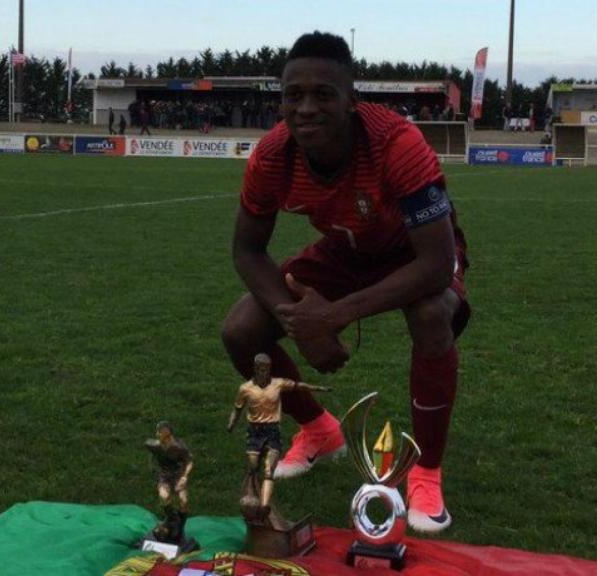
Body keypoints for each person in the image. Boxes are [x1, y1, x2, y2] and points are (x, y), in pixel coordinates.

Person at [220, 31, 471, 534]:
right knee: (242, 328)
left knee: (430, 314)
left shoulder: (396, 143)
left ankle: (425, 470)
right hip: (344, 249)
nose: (306, 108)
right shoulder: (272, 156)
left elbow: (437, 264)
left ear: (351, 100)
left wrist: (332, 316)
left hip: (414, 251)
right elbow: (247, 249)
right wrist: (299, 321)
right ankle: (319, 430)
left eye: (322, 94)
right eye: (294, 95)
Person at [227, 354, 329, 517]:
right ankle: (250, 494)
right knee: (253, 467)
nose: (264, 372)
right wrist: (231, 423)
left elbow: (298, 386)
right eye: (260, 368)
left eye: (267, 369)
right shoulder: (245, 389)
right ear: (255, 369)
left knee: (269, 470)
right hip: (254, 432)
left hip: (272, 431)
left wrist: (318, 388)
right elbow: (237, 408)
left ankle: (264, 507)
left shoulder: (278, 384)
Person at [144, 422, 194, 542]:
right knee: (164, 497)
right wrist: (153, 470)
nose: (157, 434)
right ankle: (174, 520)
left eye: (159, 432)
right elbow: (148, 445)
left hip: (178, 475)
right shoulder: (155, 446)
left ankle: (179, 529)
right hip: (164, 476)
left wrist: (184, 477)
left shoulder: (179, 447)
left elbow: (190, 461)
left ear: (167, 434)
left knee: (183, 501)